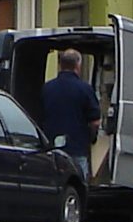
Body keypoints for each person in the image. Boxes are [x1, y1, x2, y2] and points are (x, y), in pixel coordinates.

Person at [38, 46, 103, 178]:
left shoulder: (47, 88)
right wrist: (92, 137)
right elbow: (95, 122)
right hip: (77, 148)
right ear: (77, 66)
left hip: (51, 149)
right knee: (78, 186)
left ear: (60, 65)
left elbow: (40, 116)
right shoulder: (85, 89)